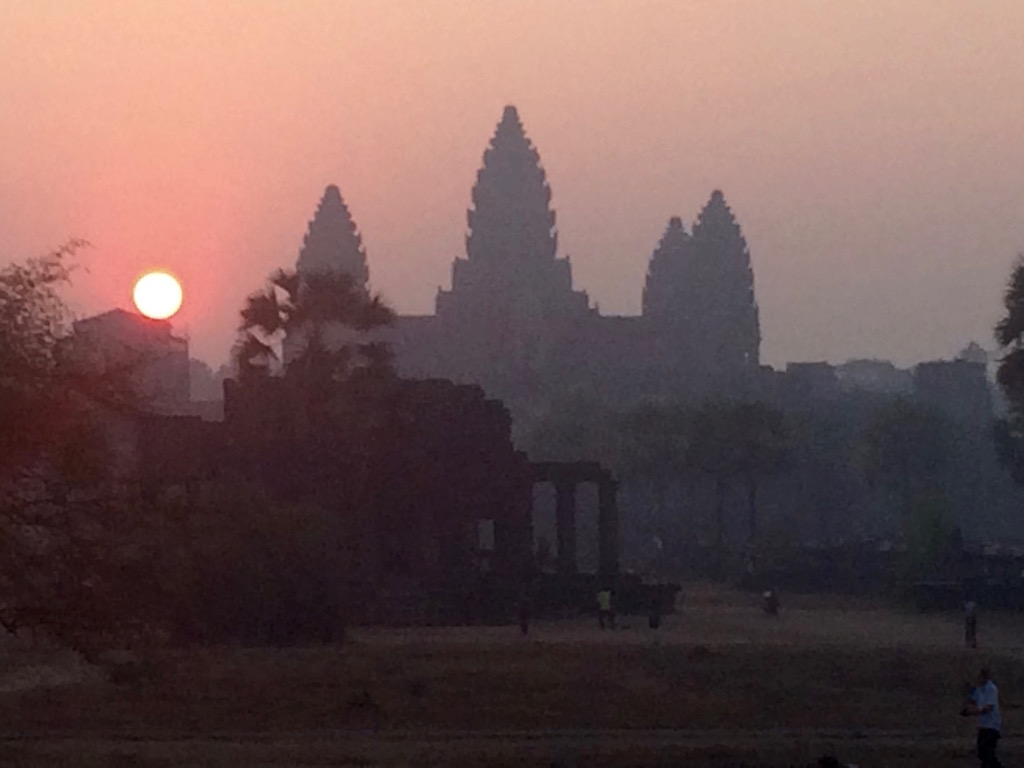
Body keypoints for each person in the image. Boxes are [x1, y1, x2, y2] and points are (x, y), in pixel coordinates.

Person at [960, 667, 1002, 768]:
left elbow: (988, 708)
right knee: (982, 753)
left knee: (987, 753)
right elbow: (972, 701)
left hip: (992, 726)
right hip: (983, 726)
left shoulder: (991, 688)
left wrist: (971, 712)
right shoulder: (979, 690)